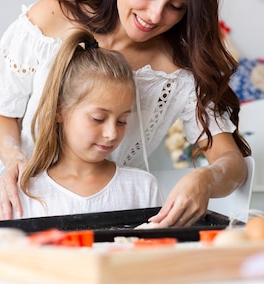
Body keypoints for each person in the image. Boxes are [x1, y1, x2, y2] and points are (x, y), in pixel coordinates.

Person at [0, 0, 251, 226]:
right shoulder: (51, 20)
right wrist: (14, 158)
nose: (155, 15)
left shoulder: (181, 73)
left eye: (176, 6)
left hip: (111, 210)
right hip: (23, 201)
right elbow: (0, 112)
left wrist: (206, 179)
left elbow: (232, 164)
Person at [16, 28, 161, 218]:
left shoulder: (142, 187)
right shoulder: (27, 192)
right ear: (59, 110)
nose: (112, 134)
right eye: (98, 119)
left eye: (121, 121)